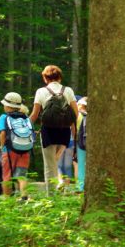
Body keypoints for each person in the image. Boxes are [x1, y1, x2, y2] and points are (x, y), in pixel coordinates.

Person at [29, 65, 78, 193]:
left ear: (45, 78)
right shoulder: (68, 90)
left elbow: (34, 115)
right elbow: (75, 113)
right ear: (59, 77)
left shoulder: (41, 91)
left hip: (48, 131)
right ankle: (61, 186)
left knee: (49, 164)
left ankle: (51, 195)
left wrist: (25, 126)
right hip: (64, 131)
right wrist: (74, 132)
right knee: (56, 161)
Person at [0, 92, 32, 200]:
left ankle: (7, 200)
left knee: (7, 175)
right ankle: (24, 196)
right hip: (25, 149)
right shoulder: (25, 118)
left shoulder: (4, 117)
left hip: (9, 150)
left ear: (7, 106)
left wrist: (2, 146)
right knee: (21, 175)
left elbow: (2, 133)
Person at [76, 97, 88, 192]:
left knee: (81, 165)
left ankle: (81, 187)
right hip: (92, 144)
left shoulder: (78, 115)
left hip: (81, 143)